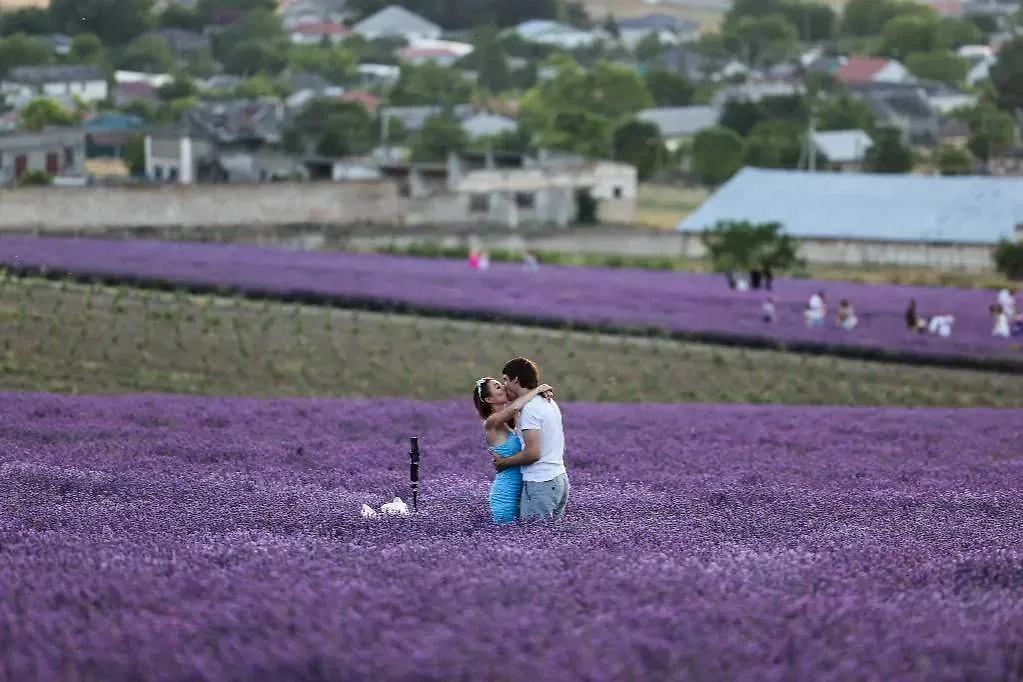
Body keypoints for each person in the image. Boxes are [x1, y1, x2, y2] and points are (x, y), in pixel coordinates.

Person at [492, 357, 570, 522]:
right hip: (558, 479)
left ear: (516, 379)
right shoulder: (548, 402)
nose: (504, 385)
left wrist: (503, 463)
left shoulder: (531, 409)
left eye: (505, 380)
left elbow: (533, 453)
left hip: (541, 484)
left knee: (534, 543)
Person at [473, 377, 554, 524]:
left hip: (522, 492)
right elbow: (515, 407)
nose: (503, 388)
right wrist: (537, 390)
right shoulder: (490, 423)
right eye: (497, 387)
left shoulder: (508, 423)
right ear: (489, 399)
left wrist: (540, 394)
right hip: (506, 495)